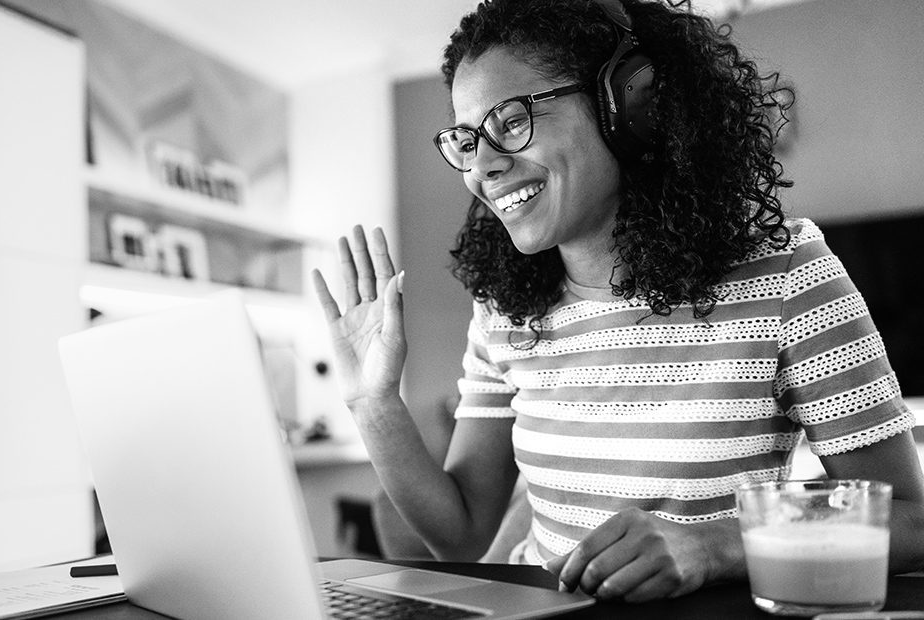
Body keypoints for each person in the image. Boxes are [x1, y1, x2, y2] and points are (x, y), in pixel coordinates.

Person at [312, 0, 924, 603]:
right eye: (466, 141)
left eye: (511, 121)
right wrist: (373, 404)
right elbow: (463, 535)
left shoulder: (787, 277)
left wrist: (717, 546)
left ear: (628, 105)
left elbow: (912, 521)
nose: (483, 168)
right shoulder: (504, 308)